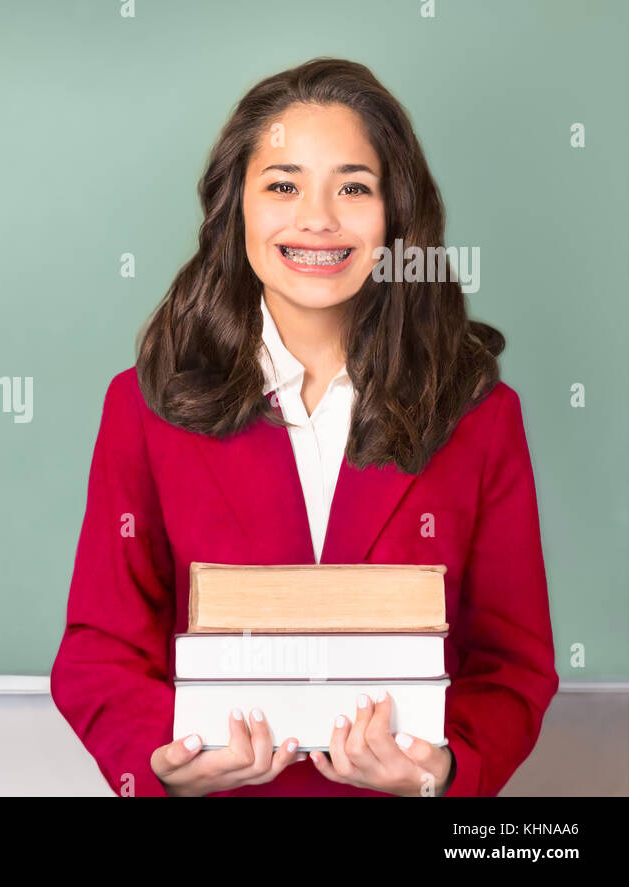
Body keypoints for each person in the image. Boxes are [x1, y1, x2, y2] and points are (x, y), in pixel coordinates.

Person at [49, 58, 559, 797]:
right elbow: (99, 651)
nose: (317, 219)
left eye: (353, 187)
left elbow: (513, 663)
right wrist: (163, 760)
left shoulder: (478, 415)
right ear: (239, 211)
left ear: (395, 215)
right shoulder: (145, 405)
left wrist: (446, 769)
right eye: (282, 185)